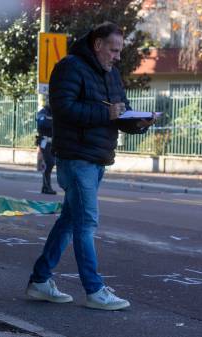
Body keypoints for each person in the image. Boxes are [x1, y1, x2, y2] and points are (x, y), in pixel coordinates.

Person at [26, 22, 157, 311]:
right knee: (86, 224)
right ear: (97, 45)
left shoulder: (111, 74)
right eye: (113, 50)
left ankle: (39, 281)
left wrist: (139, 123)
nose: (117, 56)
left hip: (97, 157)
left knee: (69, 222)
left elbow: (120, 111)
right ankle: (94, 290)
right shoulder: (70, 67)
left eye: (120, 51)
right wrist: (105, 112)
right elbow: (62, 109)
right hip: (76, 157)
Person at [36, 103, 57, 194]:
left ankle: (46, 186)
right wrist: (52, 121)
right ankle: (46, 186)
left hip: (53, 143)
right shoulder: (43, 112)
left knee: (51, 164)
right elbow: (42, 123)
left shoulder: (54, 112)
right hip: (45, 142)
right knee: (49, 163)